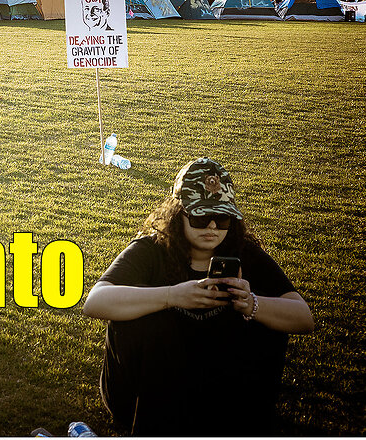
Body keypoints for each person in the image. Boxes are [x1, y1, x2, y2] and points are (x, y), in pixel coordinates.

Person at [83, 157, 314, 436]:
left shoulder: (244, 253)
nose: (213, 227)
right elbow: (96, 301)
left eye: (223, 218)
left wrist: (252, 304)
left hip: (220, 394)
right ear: (177, 213)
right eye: (202, 217)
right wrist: (172, 296)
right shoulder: (151, 250)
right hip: (144, 396)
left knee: (265, 320)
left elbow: (303, 317)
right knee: (150, 321)